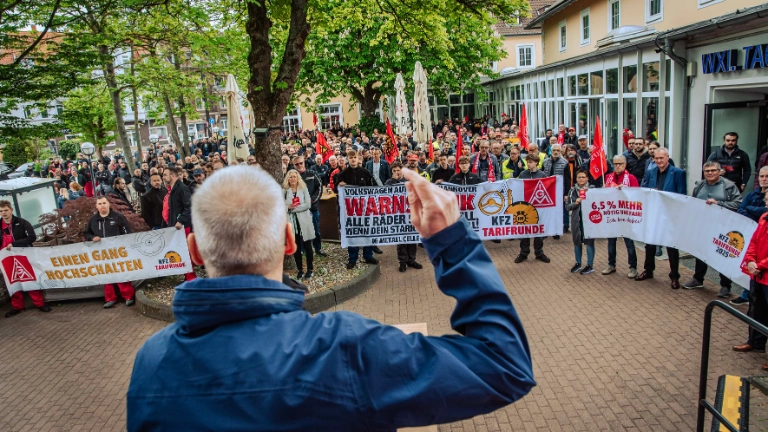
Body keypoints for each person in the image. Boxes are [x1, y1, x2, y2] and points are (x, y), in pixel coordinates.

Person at [126, 165, 535, 430]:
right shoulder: (345, 348)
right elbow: (505, 365)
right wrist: (452, 243)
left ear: (194, 250)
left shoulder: (152, 364)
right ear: (290, 240)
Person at [682, 161, 743, 297]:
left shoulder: (728, 186)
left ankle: (725, 286)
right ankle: (698, 279)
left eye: (713, 170)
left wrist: (718, 203)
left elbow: (738, 203)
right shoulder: (700, 185)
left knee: (722, 254)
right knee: (700, 252)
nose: (710, 173)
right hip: (703, 225)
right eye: (707, 171)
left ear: (720, 171)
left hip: (722, 227)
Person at [637, 148, 686, 289]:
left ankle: (675, 276)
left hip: (669, 214)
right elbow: (643, 189)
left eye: (661, 158)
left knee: (671, 246)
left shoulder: (678, 173)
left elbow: (681, 195)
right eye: (656, 158)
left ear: (667, 157)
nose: (658, 161)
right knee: (650, 244)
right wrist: (651, 192)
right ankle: (649, 270)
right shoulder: (650, 172)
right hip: (654, 213)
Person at [733, 191, 768, 372]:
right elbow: (754, 241)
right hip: (757, 274)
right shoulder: (764, 217)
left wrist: (760, 265)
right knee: (756, 310)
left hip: (764, 273)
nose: (767, 203)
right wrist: (751, 261)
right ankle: (754, 342)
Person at [84, 196, 135, 309]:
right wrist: (92, 238)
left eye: (104, 203)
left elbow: (127, 232)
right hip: (102, 254)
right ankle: (110, 298)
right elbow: (86, 233)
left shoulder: (118, 217)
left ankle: (128, 296)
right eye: (100, 204)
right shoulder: (93, 220)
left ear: (108, 204)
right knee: (107, 277)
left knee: (122, 274)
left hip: (118, 252)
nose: (102, 205)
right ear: (96, 206)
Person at [1, 201, 51, 317]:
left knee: (29, 278)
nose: (3, 213)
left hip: (22, 255)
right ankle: (17, 306)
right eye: (1, 211)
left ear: (11, 210)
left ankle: (39, 303)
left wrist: (15, 244)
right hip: (6, 258)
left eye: (5, 210)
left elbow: (32, 237)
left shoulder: (22, 223)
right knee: (12, 280)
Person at [337, 150, 379, 268]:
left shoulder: (366, 173)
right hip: (350, 211)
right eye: (351, 158)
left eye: (355, 157)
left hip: (365, 209)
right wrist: (339, 186)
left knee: (367, 231)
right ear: (348, 160)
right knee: (353, 232)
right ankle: (352, 258)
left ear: (358, 158)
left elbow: (373, 188)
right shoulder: (343, 175)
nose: (353, 160)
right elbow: (337, 191)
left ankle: (368, 255)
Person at [602, 155, 639, 278]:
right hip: (612, 215)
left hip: (626, 216)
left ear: (625, 164)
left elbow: (637, 196)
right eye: (615, 163)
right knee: (611, 242)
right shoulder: (608, 178)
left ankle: (633, 267)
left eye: (620, 164)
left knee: (629, 243)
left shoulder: (631, 178)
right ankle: (611, 264)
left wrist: (627, 190)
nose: (617, 166)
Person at [384, 162, 423, 272]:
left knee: (411, 237)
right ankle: (402, 261)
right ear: (392, 172)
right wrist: (394, 181)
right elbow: (384, 195)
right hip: (397, 215)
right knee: (401, 239)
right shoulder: (389, 182)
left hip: (409, 213)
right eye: (394, 171)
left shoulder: (408, 181)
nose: (397, 172)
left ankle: (411, 260)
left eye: (398, 170)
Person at [162, 166, 196, 281]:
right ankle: (188, 276)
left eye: (165, 174)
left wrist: (180, 220)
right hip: (177, 226)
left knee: (184, 251)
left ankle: (191, 277)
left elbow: (189, 206)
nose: (163, 177)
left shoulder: (182, 188)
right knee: (182, 251)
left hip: (182, 226)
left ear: (172, 175)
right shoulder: (174, 189)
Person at [515, 154, 551, 264]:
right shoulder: (523, 174)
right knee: (525, 230)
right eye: (527, 162)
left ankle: (539, 252)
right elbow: (518, 188)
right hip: (526, 207)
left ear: (536, 162)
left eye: (531, 162)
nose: (528, 164)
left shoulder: (542, 175)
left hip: (538, 207)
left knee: (538, 231)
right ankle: (523, 252)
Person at [283, 170, 315, 280]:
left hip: (304, 220)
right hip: (292, 221)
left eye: (294, 177)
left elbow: (308, 204)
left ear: (298, 178)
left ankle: (310, 269)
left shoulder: (303, 188)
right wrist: (288, 208)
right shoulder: (285, 191)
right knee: (296, 246)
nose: (292, 179)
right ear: (288, 178)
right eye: (290, 177)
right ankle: (300, 270)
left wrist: (294, 208)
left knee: (307, 245)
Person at [294, 156, 326, 257]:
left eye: (301, 163)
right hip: (299, 209)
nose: (299, 165)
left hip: (312, 208)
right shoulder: (292, 177)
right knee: (300, 230)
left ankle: (318, 248)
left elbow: (319, 187)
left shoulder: (312, 174)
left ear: (304, 163)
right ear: (294, 165)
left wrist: (311, 201)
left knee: (315, 229)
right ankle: (302, 249)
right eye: (297, 164)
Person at [567, 170, 595, 275]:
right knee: (577, 242)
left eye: (583, 177)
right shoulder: (572, 191)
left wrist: (590, 194)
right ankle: (578, 263)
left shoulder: (592, 189)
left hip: (589, 220)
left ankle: (590, 265)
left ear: (587, 178)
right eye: (579, 177)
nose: (581, 179)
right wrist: (576, 203)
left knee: (589, 242)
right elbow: (568, 206)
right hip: (576, 220)